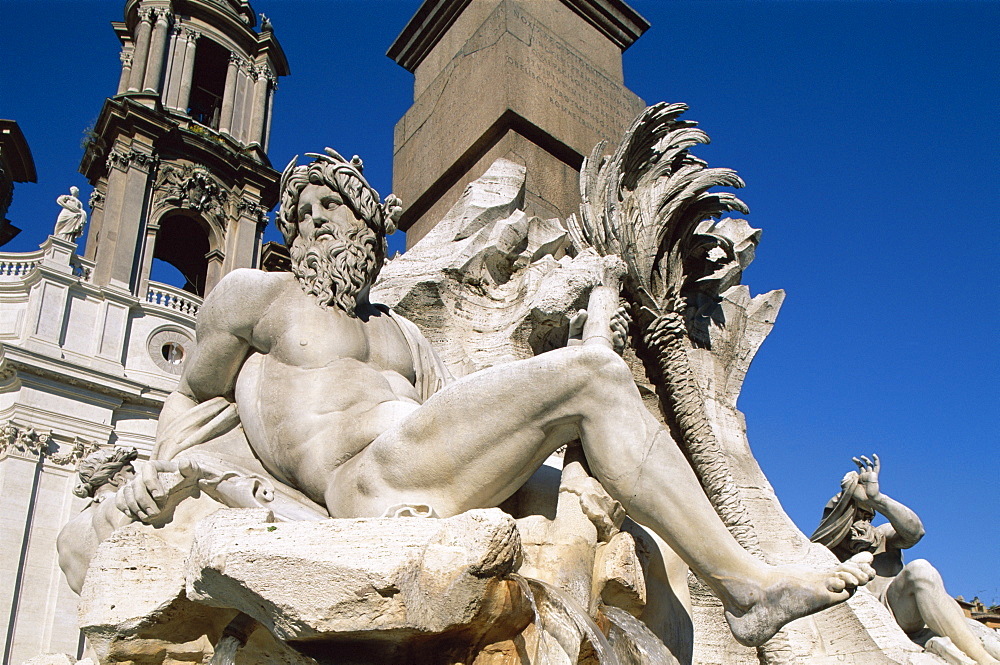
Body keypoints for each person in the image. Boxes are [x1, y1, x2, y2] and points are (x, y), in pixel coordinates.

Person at [117, 148, 875, 648]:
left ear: (369, 224)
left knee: (633, 532)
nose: (312, 220)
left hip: (425, 460)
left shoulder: (400, 337)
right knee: (592, 376)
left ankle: (715, 599)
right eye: (301, 212)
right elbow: (191, 394)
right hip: (367, 479)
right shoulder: (258, 297)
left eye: (330, 206)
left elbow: (463, 419)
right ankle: (745, 585)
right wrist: (166, 474)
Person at [812, 455, 998, 664]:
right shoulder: (825, 553)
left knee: (924, 573)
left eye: (868, 516)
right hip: (879, 619)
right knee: (920, 571)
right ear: (840, 521)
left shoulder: (882, 536)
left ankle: (981, 655)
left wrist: (876, 498)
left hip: (904, 607)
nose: (864, 524)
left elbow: (916, 532)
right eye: (857, 516)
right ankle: (983, 660)